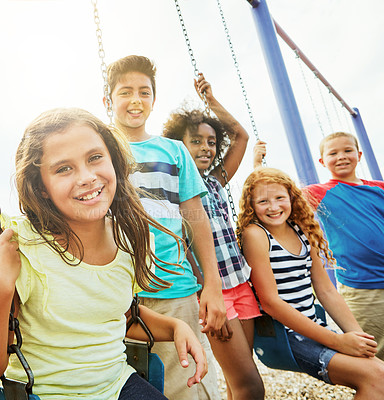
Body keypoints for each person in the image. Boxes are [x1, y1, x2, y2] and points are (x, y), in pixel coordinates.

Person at [0, 108, 208, 400]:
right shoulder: (21, 247)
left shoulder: (129, 236)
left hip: (118, 384)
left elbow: (118, 315)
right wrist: (3, 288)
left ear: (113, 159)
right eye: (63, 169)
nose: (87, 177)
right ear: (41, 187)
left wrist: (176, 327)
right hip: (48, 393)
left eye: (94, 157)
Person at [106, 55, 226, 400]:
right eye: (125, 92)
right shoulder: (99, 151)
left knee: (189, 386)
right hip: (119, 294)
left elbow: (195, 216)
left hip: (174, 289)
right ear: (108, 100)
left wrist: (212, 286)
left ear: (153, 100)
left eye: (144, 92)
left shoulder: (172, 150)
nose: (135, 100)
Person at [237, 166, 384, 399]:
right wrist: (339, 341)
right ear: (251, 206)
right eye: (263, 201)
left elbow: (326, 290)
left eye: (279, 198)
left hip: (314, 327)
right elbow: (271, 302)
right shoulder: (256, 235)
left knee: (379, 372)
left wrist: (358, 340)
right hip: (287, 336)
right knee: (376, 377)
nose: (274, 207)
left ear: (291, 198)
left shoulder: (302, 229)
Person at [162, 73, 265, 400]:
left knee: (242, 379)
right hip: (214, 290)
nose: (206, 147)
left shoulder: (217, 179)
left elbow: (240, 135)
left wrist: (210, 99)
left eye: (210, 141)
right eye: (196, 141)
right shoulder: (174, 188)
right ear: (179, 145)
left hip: (241, 284)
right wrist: (207, 291)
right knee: (251, 386)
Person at [302, 132, 384, 361]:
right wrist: (258, 163)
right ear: (322, 161)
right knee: (372, 352)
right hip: (362, 288)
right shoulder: (318, 192)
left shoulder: (379, 188)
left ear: (358, 155)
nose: (341, 156)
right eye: (333, 153)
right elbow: (281, 194)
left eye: (348, 151)